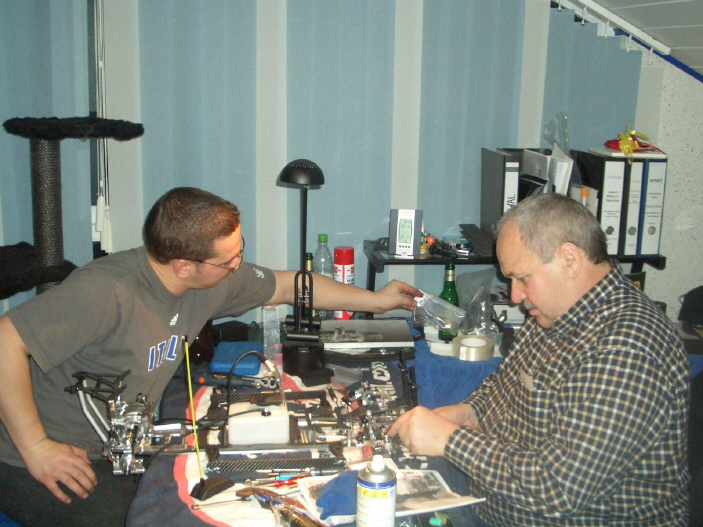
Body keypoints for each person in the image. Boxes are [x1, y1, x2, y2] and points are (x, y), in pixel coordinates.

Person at [0, 187, 421, 527]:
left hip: (122, 445)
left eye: (240, 250)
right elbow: (5, 340)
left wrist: (377, 301)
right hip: (45, 458)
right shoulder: (105, 291)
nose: (239, 265)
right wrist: (36, 448)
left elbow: (287, 284)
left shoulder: (210, 279)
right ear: (184, 265)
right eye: (229, 259)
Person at [390, 193, 690, 526]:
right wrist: (469, 412)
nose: (515, 296)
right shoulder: (555, 313)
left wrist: (450, 440)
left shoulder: (628, 348)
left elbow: (559, 489)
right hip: (488, 502)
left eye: (522, 278)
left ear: (569, 260)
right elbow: (503, 385)